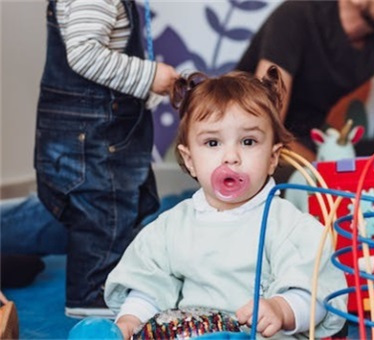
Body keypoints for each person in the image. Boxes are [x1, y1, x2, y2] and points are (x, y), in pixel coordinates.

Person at [104, 67, 347, 339]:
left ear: (273, 157)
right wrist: (130, 320)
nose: (231, 157)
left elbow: (314, 294)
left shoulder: (289, 227)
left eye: (248, 141)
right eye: (212, 143)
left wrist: (281, 309)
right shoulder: (172, 228)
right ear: (189, 160)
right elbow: (149, 285)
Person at [35, 0, 178, 318]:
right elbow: (85, 54)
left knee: (120, 206)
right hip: (93, 135)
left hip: (97, 131)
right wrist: (149, 75)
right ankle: (92, 292)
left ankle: (118, 272)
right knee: (105, 207)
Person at [237, 0, 374, 162]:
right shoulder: (296, 16)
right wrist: (324, 171)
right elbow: (265, 129)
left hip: (305, 140)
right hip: (248, 140)